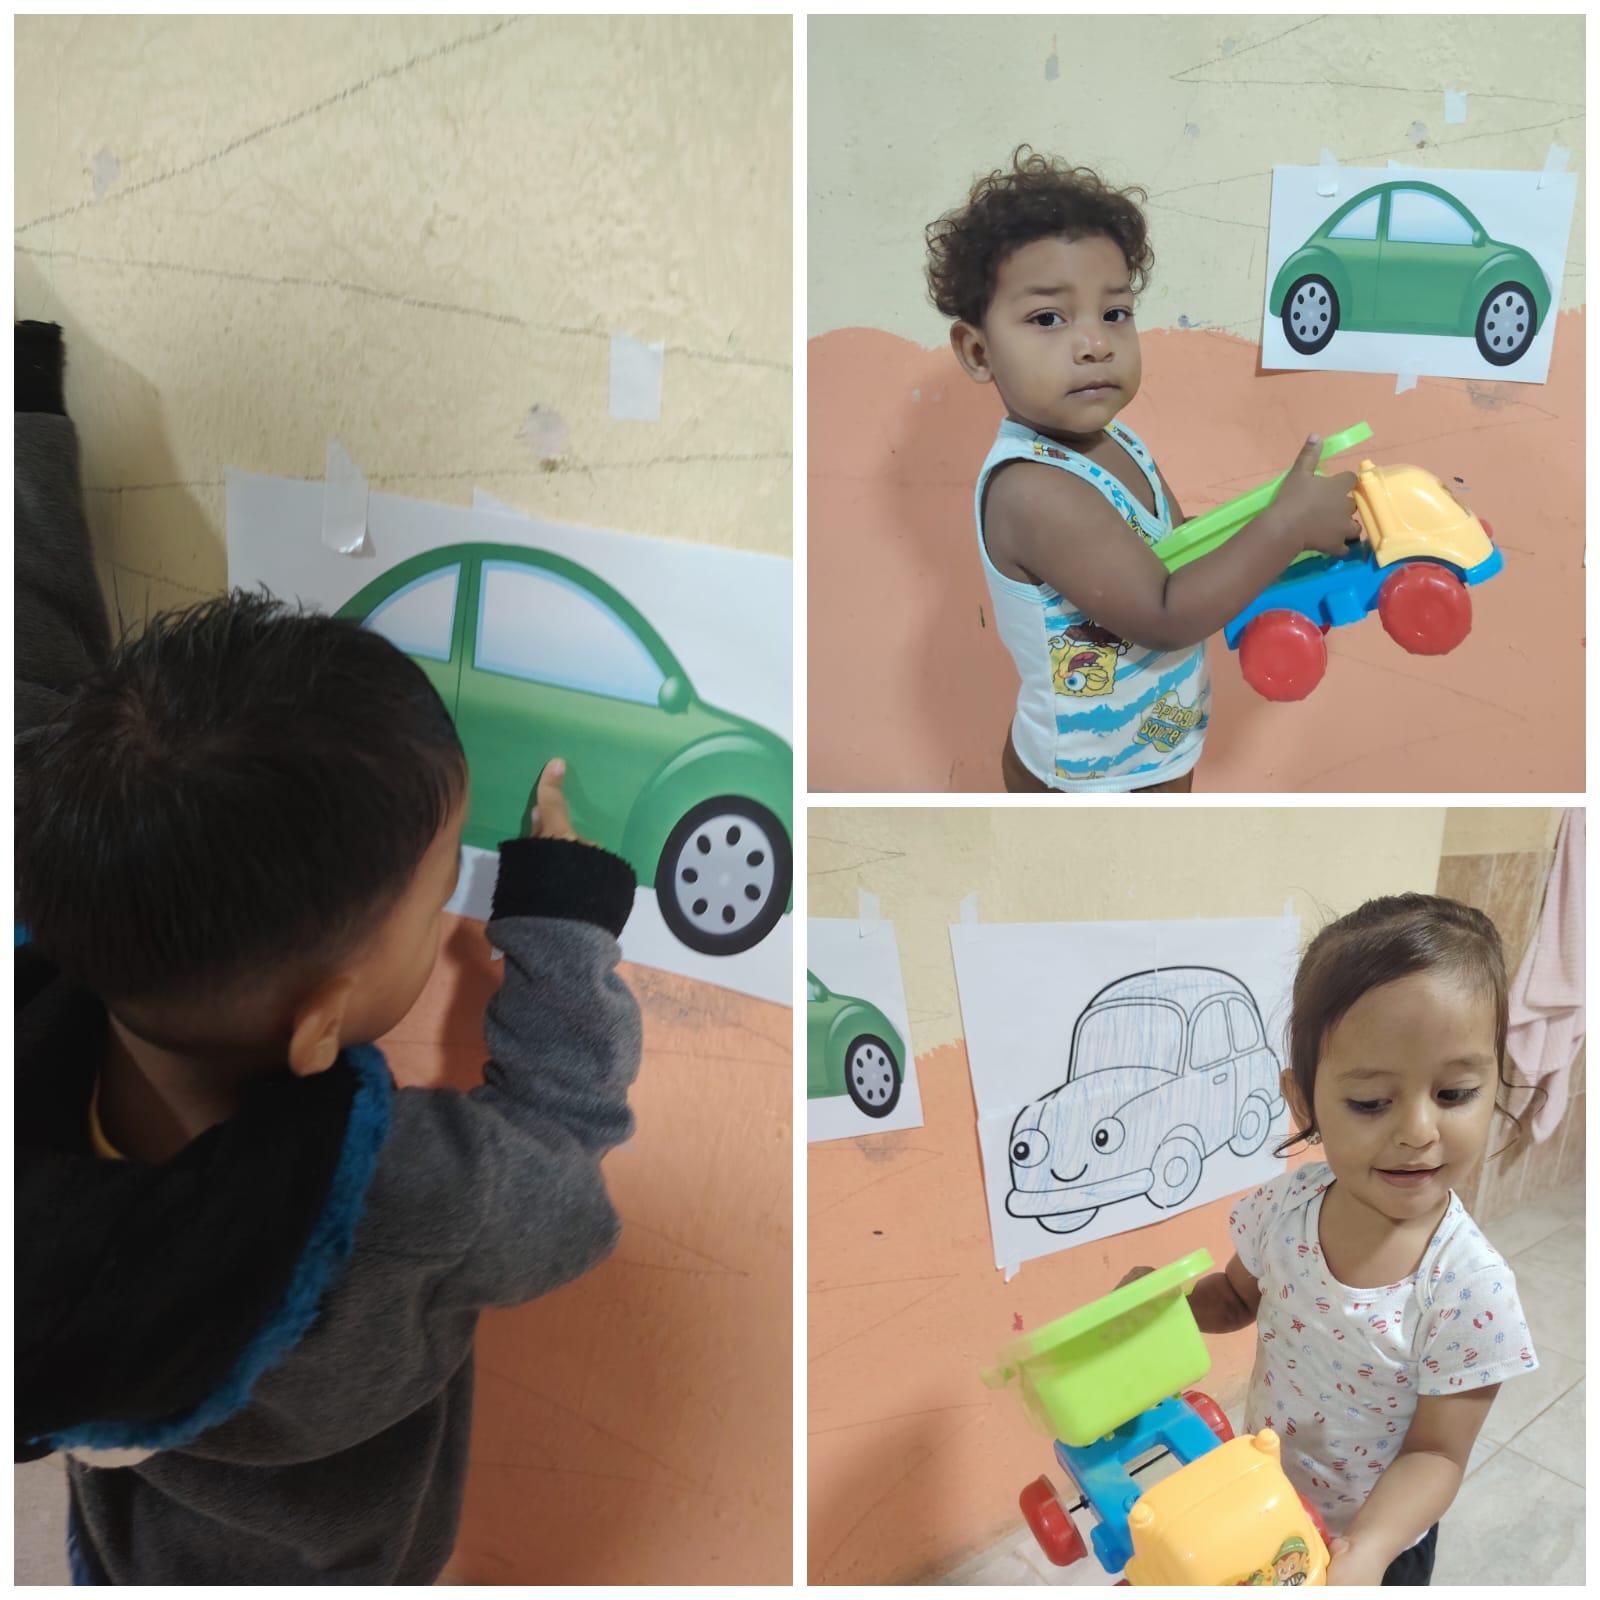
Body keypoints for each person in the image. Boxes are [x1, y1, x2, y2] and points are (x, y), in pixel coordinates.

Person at [15, 321, 642, 1584]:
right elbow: (565, 1174)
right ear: (318, 1025)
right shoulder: (394, 1205)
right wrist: (562, 919)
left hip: (131, 1542)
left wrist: (25, 425)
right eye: (441, 895)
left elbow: (29, 665)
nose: (451, 903)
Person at [1127, 894, 1539, 1585]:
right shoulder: (1284, 1209)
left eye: (1454, 1093)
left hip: (1374, 1545)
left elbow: (1437, 1455)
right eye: (1371, 1102)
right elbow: (1235, 1298)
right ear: (1303, 1101)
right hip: (1265, 1507)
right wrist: (1165, 1306)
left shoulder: (1471, 1291)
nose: (1418, 1132)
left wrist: (1369, 1549)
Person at [925, 148, 1364, 793]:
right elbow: (1164, 612)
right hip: (1086, 781)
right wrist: (1285, 527)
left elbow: (1182, 554)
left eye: (1115, 313)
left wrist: (1293, 537)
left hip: (1154, 752)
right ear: (978, 351)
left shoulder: (1117, 441)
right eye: (1048, 318)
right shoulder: (1034, 490)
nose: (1095, 343)